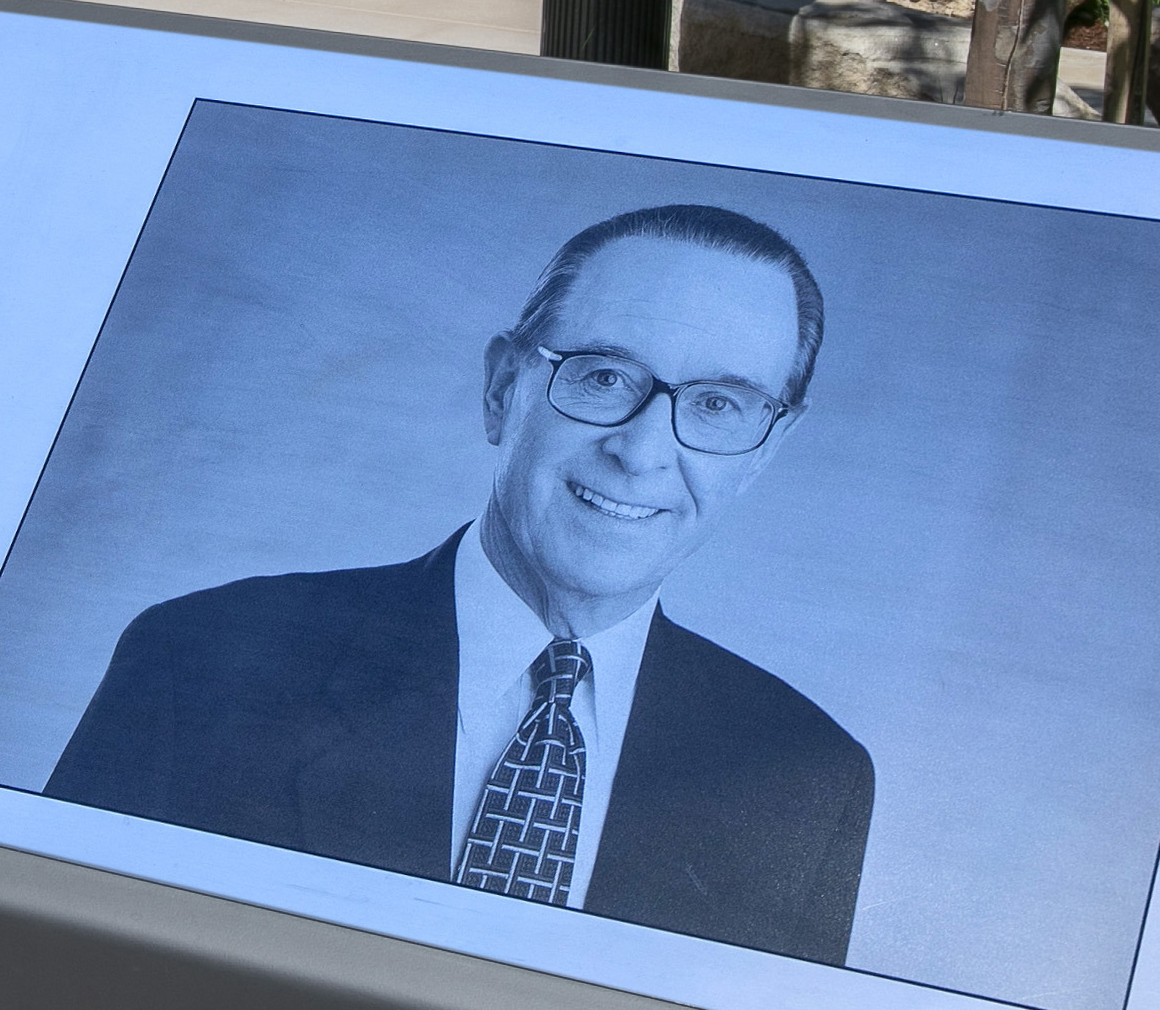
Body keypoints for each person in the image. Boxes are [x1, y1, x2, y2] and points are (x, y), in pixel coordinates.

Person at [45, 203, 873, 964]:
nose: (643, 451)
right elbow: (56, 990)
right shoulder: (204, 661)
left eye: (721, 405)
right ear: (502, 388)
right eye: (603, 377)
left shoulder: (805, 778)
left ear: (764, 451)